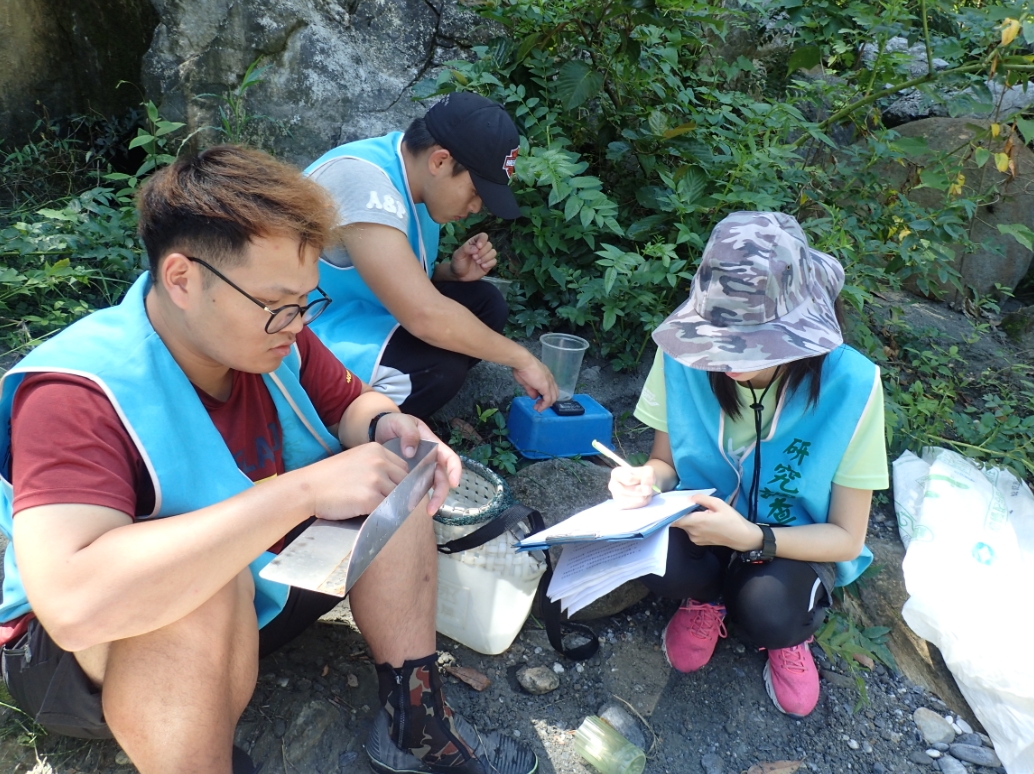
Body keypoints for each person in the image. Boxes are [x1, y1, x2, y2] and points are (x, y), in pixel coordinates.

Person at [0, 146, 539, 774]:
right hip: (86, 656)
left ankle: (414, 722)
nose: (296, 324)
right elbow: (73, 604)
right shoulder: (77, 393)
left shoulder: (276, 335)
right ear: (181, 279)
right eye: (278, 304)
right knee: (199, 589)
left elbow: (349, 404)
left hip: (259, 587)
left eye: (307, 302)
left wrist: (388, 424)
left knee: (392, 467)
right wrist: (303, 492)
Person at [609, 211, 888, 718]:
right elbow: (664, 463)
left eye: (757, 342)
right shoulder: (682, 356)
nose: (731, 359)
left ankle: (782, 634)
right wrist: (645, 479)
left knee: (770, 609)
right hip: (702, 522)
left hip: (793, 542)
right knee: (651, 556)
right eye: (721, 338)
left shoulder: (854, 385)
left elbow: (847, 537)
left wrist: (756, 539)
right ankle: (708, 597)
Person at [303, 91, 558, 419]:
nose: (476, 208)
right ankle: (343, 428)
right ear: (440, 161)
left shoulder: (410, 175)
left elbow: (384, 279)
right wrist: (522, 358)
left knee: (484, 303)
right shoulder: (365, 182)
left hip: (358, 315)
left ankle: (398, 390)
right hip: (305, 334)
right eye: (476, 192)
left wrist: (448, 274)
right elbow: (423, 315)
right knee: (438, 368)